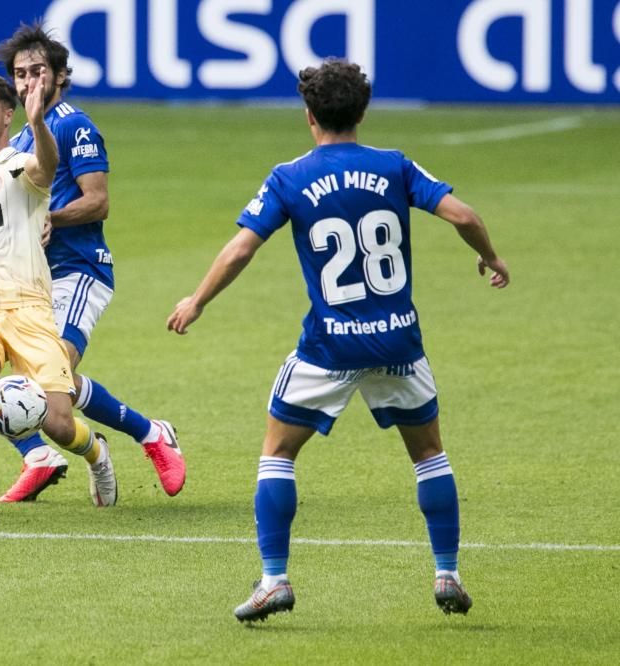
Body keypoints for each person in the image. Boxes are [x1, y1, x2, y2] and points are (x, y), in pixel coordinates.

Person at [167, 59, 509, 622]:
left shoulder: (290, 176)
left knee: (278, 452)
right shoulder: (394, 167)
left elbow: (241, 248)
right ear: (363, 112)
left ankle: (274, 579)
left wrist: (197, 300)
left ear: (309, 116)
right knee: (428, 453)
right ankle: (446, 571)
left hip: (329, 347)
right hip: (399, 342)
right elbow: (462, 213)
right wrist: (490, 257)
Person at [0, 22, 186, 504]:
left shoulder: (72, 124)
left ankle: (149, 434)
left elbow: (97, 202)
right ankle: (42, 452)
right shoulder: (16, 143)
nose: (29, 81)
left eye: (38, 71)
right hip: (28, 281)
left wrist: (49, 217)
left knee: (48, 373)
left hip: (78, 270)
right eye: (20, 73)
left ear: (60, 76)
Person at [0, 72, 119, 522]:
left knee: (57, 421)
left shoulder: (17, 165)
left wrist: (38, 124)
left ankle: (95, 453)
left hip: (29, 311)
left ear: (7, 115)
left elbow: (47, 168)